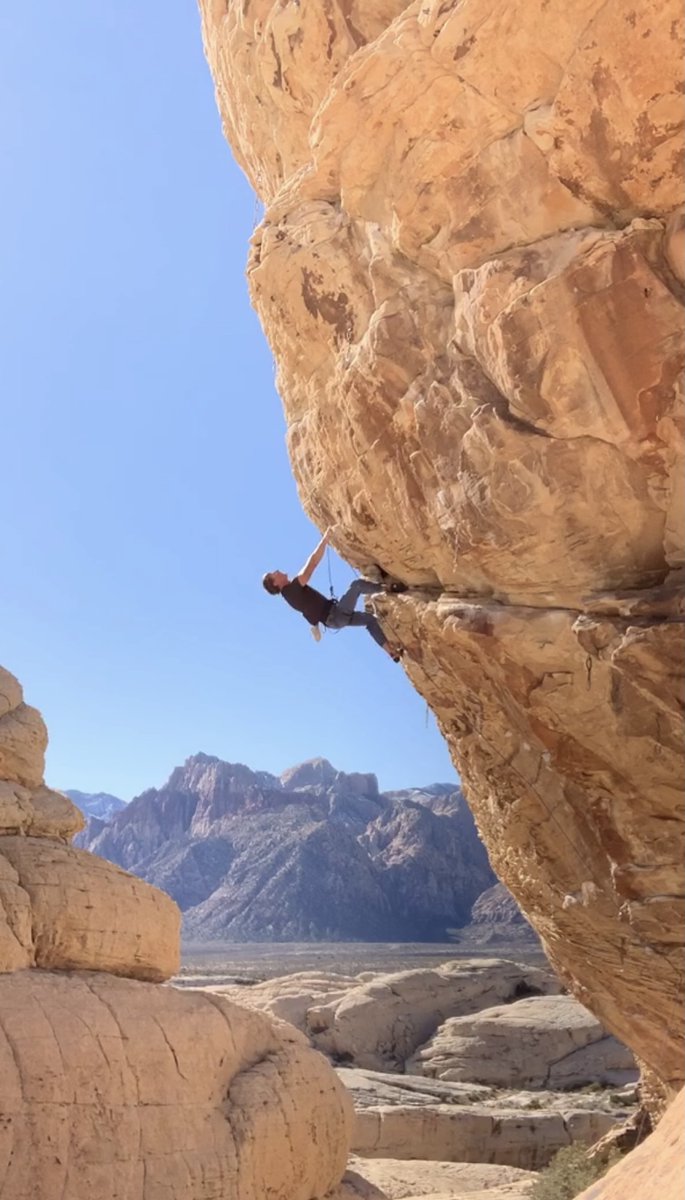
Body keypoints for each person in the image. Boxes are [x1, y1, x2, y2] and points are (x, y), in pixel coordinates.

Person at [262, 528, 405, 661]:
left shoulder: (289, 595)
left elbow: (308, 610)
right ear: (275, 583)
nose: (277, 571)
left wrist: (314, 626)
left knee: (370, 620)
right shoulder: (291, 590)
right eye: (273, 574)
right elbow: (312, 564)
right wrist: (324, 540)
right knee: (357, 586)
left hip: (334, 618)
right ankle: (388, 588)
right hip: (335, 615)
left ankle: (391, 652)